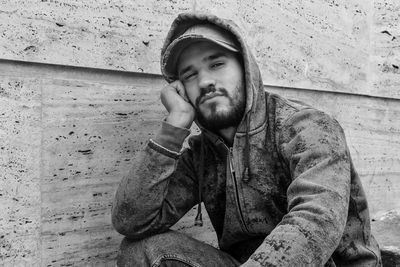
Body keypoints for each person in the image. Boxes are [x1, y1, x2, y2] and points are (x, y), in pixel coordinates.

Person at [111, 12, 382, 266]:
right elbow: (132, 221)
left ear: (246, 69)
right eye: (190, 75)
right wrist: (173, 128)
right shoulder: (200, 154)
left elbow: (316, 220)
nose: (205, 81)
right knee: (140, 250)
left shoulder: (306, 126)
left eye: (216, 64)